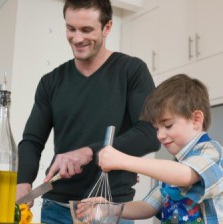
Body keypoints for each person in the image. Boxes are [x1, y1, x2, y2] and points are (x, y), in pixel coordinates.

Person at [16, 0, 160, 223]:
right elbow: (32, 141)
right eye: (71, 28)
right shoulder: (51, 82)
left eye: (87, 30)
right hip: (56, 208)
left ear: (107, 27)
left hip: (109, 209)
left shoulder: (131, 71)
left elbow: (150, 134)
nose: (77, 38)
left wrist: (88, 152)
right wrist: (23, 181)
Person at [93, 74, 223, 223]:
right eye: (156, 128)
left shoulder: (212, 153)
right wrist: (110, 208)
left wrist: (122, 160)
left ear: (196, 119)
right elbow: (147, 206)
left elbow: (185, 176)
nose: (160, 135)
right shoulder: (174, 166)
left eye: (167, 125)